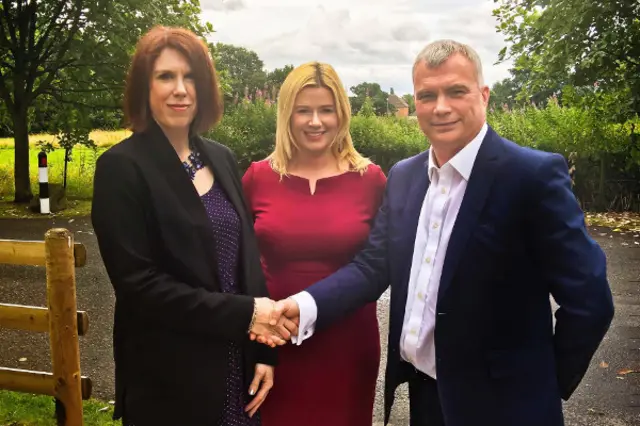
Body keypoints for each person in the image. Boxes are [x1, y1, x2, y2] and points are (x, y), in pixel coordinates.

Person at [270, 40, 615, 426]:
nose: (441, 107)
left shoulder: (530, 177)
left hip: (506, 408)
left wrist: (543, 384)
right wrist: (304, 304)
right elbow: (372, 267)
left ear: (483, 95)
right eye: (427, 95)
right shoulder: (404, 177)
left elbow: (590, 301)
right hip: (427, 399)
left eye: (456, 91)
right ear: (415, 103)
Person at [91, 26, 293, 426]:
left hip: (238, 367)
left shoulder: (220, 157)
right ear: (143, 88)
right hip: (171, 378)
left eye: (190, 78)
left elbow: (246, 261)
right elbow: (140, 286)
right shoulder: (122, 168)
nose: (179, 89)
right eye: (165, 76)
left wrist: (265, 350)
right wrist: (246, 314)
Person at [241, 61, 386, 426]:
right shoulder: (257, 177)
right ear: (287, 115)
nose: (315, 121)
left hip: (348, 345)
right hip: (273, 343)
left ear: (342, 114)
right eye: (303, 111)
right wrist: (254, 338)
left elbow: (380, 264)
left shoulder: (371, 180)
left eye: (326, 110)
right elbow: (238, 265)